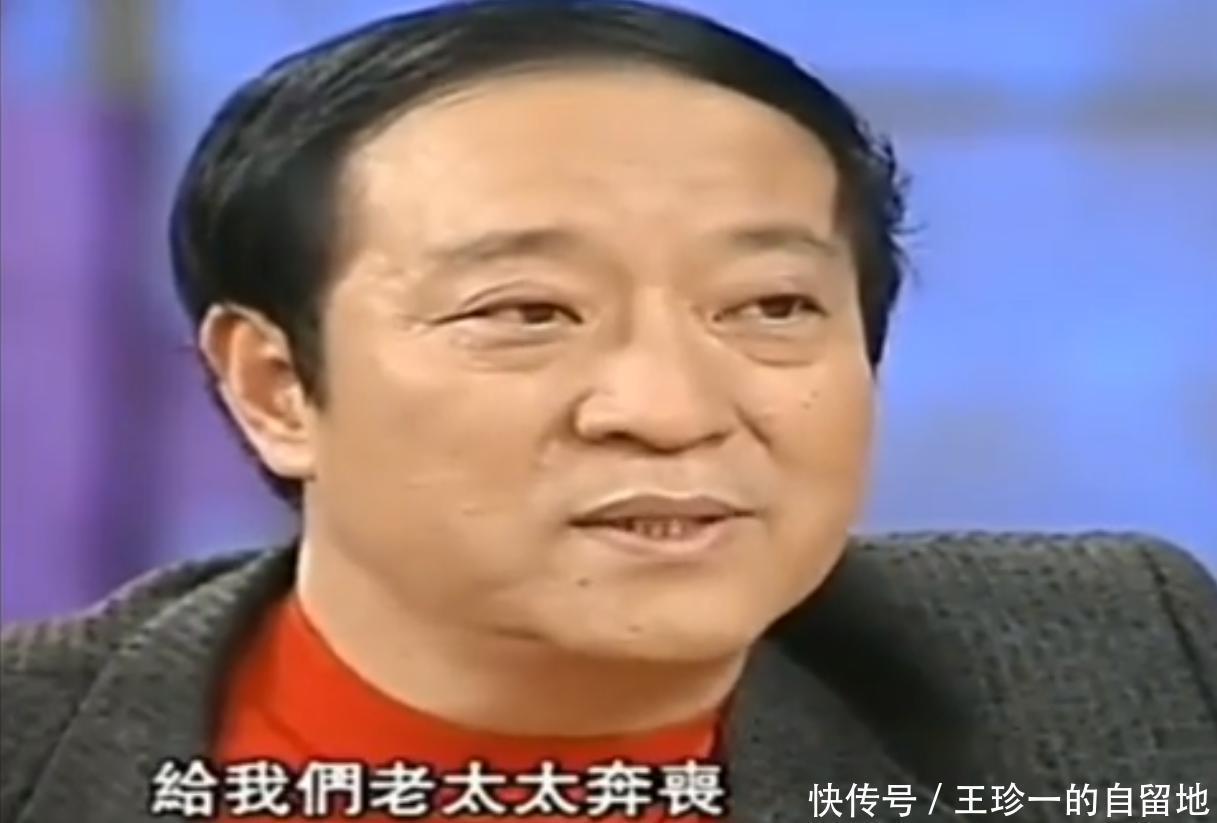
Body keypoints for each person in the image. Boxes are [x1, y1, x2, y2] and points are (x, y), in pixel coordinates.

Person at [3, 2, 1215, 822]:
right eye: (527, 311)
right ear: (275, 386)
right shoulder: (36, 745)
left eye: (770, 304)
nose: (668, 409)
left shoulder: (1120, 663)